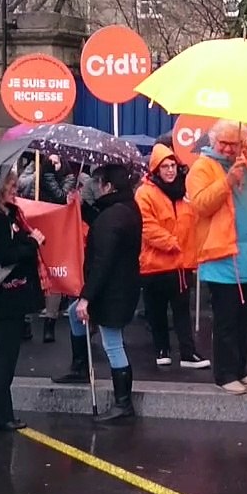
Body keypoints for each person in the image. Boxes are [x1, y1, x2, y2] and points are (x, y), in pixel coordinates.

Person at [187, 119, 247, 395]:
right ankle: (224, 373)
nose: (228, 149)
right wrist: (227, 182)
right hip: (222, 258)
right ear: (213, 142)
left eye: (234, 144)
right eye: (223, 143)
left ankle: (240, 369)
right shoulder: (202, 167)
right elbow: (201, 205)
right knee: (226, 320)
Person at [75, 164, 144, 422]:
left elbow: (102, 260)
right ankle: (78, 366)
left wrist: (87, 296)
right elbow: (101, 220)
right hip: (123, 285)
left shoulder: (114, 216)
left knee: (113, 344)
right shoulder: (125, 208)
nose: (96, 187)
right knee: (74, 316)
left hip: (111, 290)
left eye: (99, 182)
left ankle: (123, 403)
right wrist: (80, 207)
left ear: (108, 185)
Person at [0, 169, 44, 432]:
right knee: (1, 360)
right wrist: (33, 244)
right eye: (11, 185)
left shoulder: (2, 216)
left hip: (0, 299)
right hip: (4, 299)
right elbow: (5, 255)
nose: (15, 189)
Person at [137, 144, 207, 369]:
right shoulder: (145, 193)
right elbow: (147, 227)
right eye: (165, 166)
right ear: (156, 169)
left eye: (173, 165)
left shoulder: (184, 192)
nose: (170, 170)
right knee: (156, 313)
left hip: (180, 265)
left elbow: (194, 222)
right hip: (154, 265)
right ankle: (162, 349)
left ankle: (188, 353)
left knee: (181, 312)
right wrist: (173, 243)